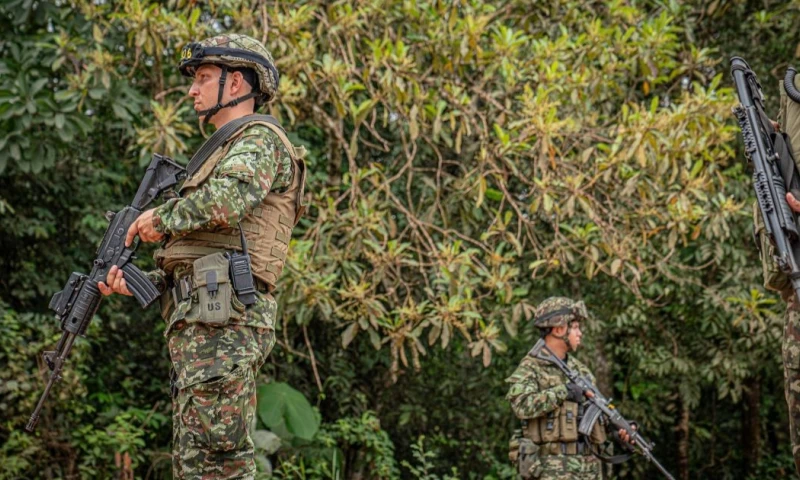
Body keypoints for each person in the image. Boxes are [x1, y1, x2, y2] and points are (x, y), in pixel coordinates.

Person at [98, 33, 306, 479]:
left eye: (204, 77)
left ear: (236, 84)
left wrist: (161, 219)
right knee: (197, 462)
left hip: (225, 323)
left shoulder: (260, 138)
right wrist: (140, 282)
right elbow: (200, 253)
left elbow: (228, 200)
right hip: (203, 319)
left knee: (221, 459)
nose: (192, 89)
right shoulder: (219, 156)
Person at [506, 297, 633, 479]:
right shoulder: (531, 367)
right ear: (559, 329)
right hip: (552, 469)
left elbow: (597, 417)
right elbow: (521, 405)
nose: (579, 333)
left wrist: (620, 429)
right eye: (574, 327)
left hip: (588, 469)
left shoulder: (580, 370)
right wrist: (563, 392)